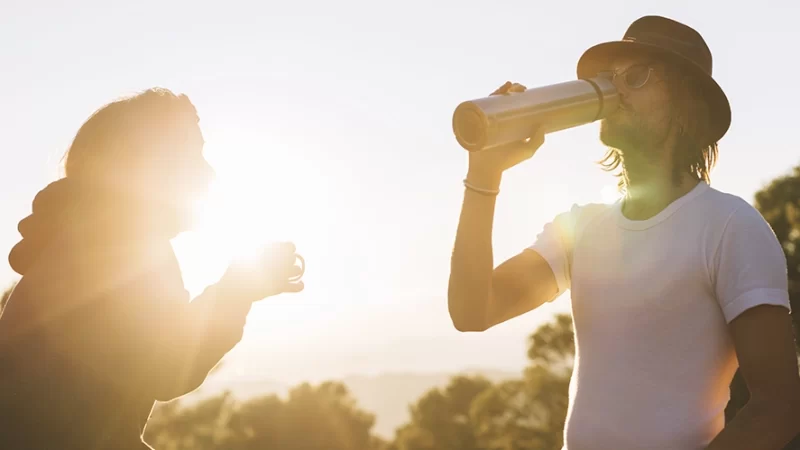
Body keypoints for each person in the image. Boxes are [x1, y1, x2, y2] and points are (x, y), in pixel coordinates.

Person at [448, 15, 800, 449]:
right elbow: (472, 311)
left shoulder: (731, 227)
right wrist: (484, 172)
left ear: (686, 105)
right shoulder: (580, 228)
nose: (612, 91)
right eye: (605, 78)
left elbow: (778, 407)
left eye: (635, 76)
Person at [0, 88, 304, 450]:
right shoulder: (119, 244)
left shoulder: (91, 237)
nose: (208, 170)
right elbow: (165, 365)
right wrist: (237, 288)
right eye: (192, 153)